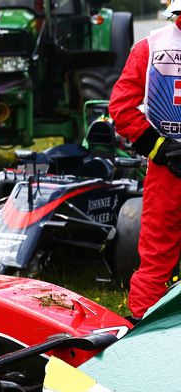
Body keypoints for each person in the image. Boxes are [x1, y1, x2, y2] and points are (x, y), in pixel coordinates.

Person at [109, 2, 181, 322]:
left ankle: (142, 330)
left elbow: (121, 109)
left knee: (155, 261)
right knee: (155, 261)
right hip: (167, 170)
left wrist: (160, 148)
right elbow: (121, 109)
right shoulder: (147, 47)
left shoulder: (149, 47)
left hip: (166, 169)